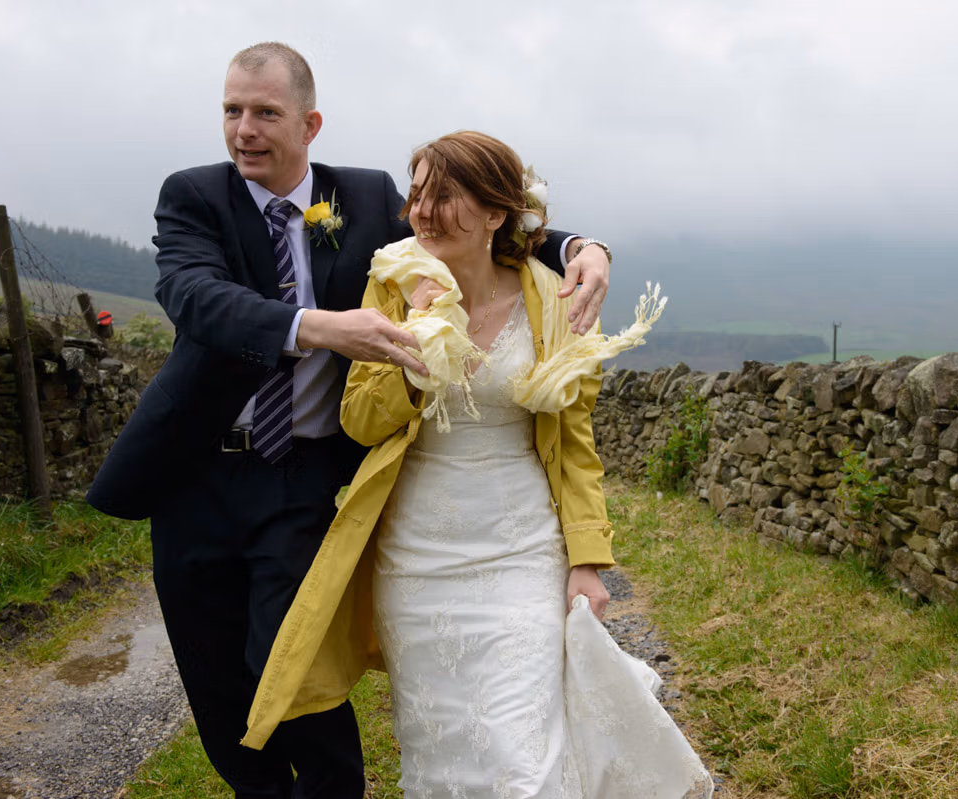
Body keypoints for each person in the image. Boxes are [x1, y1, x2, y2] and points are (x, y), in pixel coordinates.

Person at [86, 44, 612, 799]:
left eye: (265, 112)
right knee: (215, 684)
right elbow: (196, 298)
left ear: (310, 122)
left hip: (304, 475)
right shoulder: (194, 196)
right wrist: (319, 327)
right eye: (231, 110)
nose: (244, 129)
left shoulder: (363, 198)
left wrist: (582, 246)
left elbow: (469, 223)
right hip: (194, 474)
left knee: (297, 668)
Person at [243, 131, 712, 798]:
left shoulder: (551, 297)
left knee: (521, 759)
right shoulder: (392, 283)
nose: (424, 211)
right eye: (418, 195)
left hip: (522, 549)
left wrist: (587, 558)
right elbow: (360, 419)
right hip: (418, 563)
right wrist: (417, 342)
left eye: (444, 195)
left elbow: (575, 443)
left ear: (495, 213)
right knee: (447, 755)